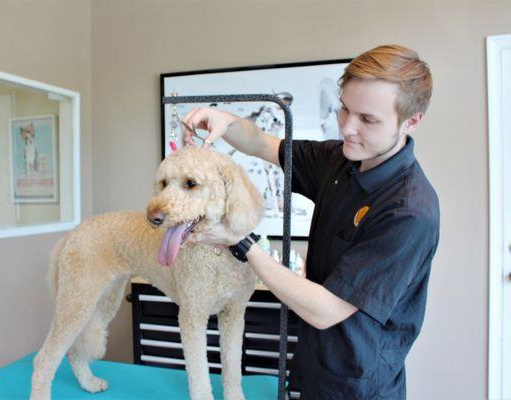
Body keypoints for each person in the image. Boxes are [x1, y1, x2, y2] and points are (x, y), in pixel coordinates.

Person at [182, 44, 440, 400]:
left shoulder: (408, 212)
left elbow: (324, 310)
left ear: (411, 121)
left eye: (368, 119)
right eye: (345, 109)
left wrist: (241, 241)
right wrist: (225, 121)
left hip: (357, 385)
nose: (348, 127)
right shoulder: (340, 160)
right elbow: (262, 145)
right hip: (311, 366)